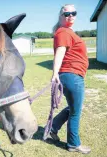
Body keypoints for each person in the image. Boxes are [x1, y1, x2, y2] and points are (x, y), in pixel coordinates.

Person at [50, 4, 91, 154]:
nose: (70, 16)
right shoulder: (64, 32)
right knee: (75, 112)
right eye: (67, 14)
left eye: (73, 13)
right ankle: (73, 144)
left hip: (71, 75)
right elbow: (60, 52)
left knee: (73, 107)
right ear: (61, 16)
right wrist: (54, 74)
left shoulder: (65, 31)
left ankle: (53, 127)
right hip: (72, 75)